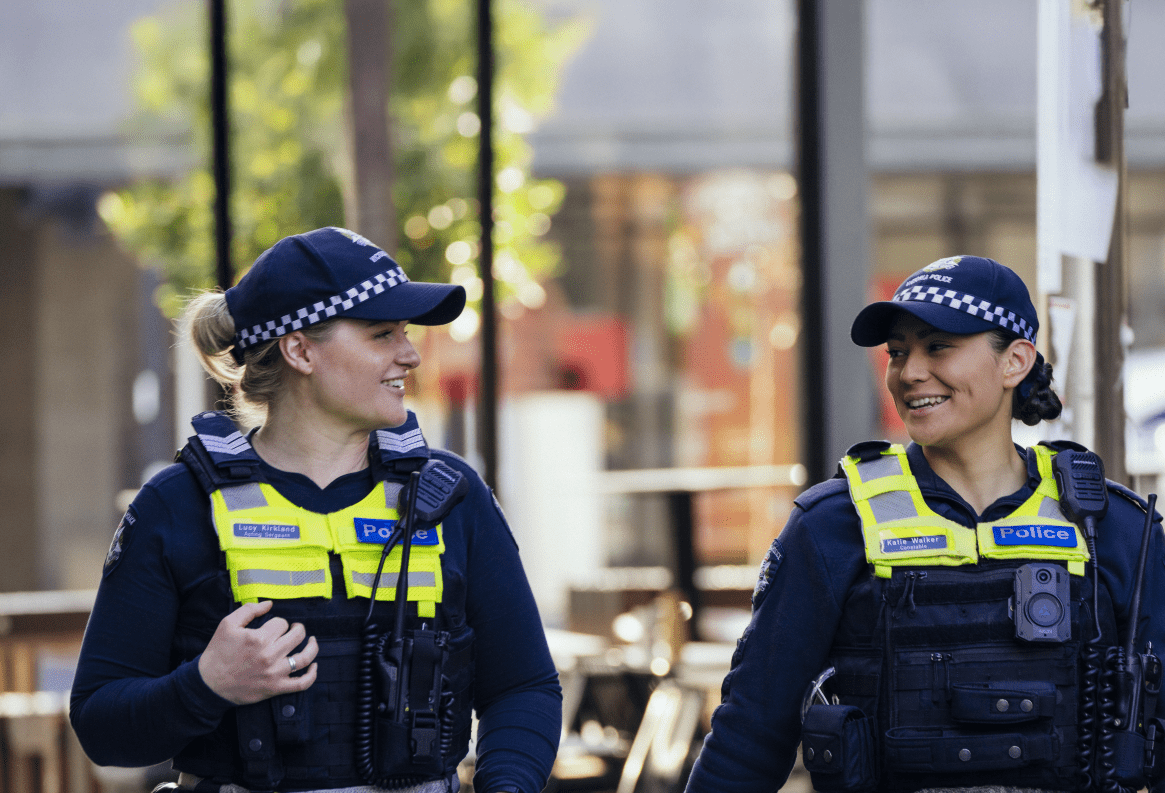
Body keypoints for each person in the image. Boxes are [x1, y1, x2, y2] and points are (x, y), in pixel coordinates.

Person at [70, 227, 562, 793]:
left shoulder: (453, 496)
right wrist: (207, 684)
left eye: (405, 333)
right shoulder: (176, 506)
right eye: (381, 334)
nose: (410, 353)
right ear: (300, 349)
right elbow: (100, 725)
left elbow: (523, 687)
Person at [684, 255, 1165, 793]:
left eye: (938, 346)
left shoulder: (1111, 526)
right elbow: (750, 736)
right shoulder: (833, 525)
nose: (909, 371)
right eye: (897, 352)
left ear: (1015, 362)